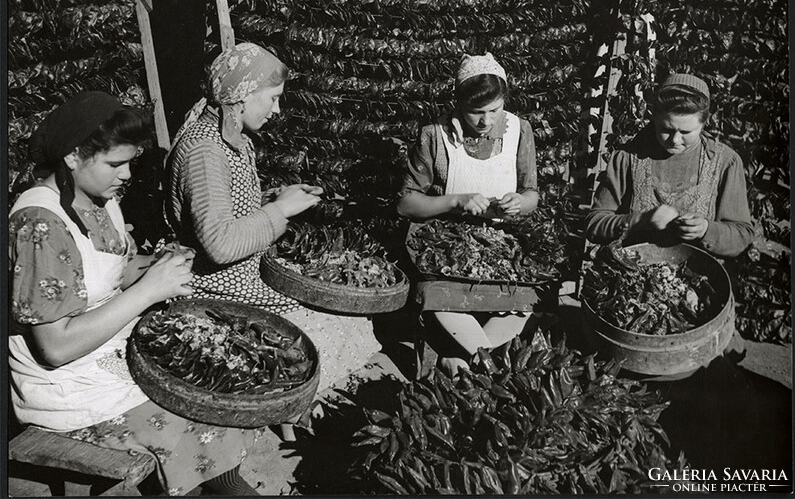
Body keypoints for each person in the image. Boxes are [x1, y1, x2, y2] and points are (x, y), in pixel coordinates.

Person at [8, 92, 259, 496]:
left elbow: (107, 273)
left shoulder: (97, 198)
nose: (126, 174)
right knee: (191, 421)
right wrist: (147, 293)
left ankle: (224, 483)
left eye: (129, 162)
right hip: (68, 388)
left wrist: (157, 266)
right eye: (115, 163)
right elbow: (55, 347)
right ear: (73, 157)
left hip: (110, 356)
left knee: (223, 390)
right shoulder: (40, 225)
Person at [165, 43, 381, 401]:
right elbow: (219, 244)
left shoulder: (229, 138)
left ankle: (295, 403)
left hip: (241, 276)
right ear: (243, 95)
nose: (277, 110)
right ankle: (290, 404)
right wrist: (280, 212)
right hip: (215, 285)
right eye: (273, 98)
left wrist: (276, 198)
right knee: (331, 326)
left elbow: (223, 207)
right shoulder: (205, 151)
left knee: (341, 315)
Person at [397, 53, 540, 376]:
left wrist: (519, 202)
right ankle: (489, 366)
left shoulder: (520, 131)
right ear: (459, 104)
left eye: (495, 110)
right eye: (476, 112)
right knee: (438, 294)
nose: (486, 121)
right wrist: (456, 201)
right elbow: (406, 203)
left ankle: (464, 359)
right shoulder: (435, 136)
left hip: (501, 244)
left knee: (526, 300)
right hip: (443, 246)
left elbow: (532, 194)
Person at [585, 73, 755, 258]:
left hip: (696, 279)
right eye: (666, 129)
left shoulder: (725, 162)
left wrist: (706, 229)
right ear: (653, 118)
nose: (675, 140)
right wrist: (640, 221)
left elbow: (742, 236)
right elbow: (594, 224)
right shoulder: (627, 157)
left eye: (686, 131)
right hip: (631, 277)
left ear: (704, 124)